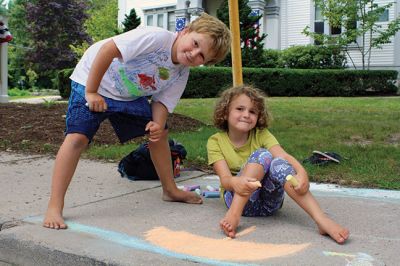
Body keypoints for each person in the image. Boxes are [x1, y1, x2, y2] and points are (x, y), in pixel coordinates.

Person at [43, 13, 231, 229]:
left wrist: (157, 125)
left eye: (202, 56)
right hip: (92, 80)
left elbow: (162, 102)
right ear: (185, 31)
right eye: (195, 43)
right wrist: (92, 92)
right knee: (77, 137)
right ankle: (54, 206)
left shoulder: (181, 74)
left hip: (127, 95)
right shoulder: (157, 38)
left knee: (160, 135)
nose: (194, 53)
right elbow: (108, 50)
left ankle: (169, 190)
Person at [207, 85, 349, 244]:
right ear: (225, 112)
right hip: (236, 199)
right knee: (263, 154)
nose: (246, 115)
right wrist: (236, 182)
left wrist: (302, 172)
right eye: (240, 109)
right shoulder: (215, 142)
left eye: (252, 111)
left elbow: (283, 156)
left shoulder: (261, 134)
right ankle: (233, 215)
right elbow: (225, 180)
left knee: (278, 162)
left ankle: (321, 219)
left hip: (269, 205)